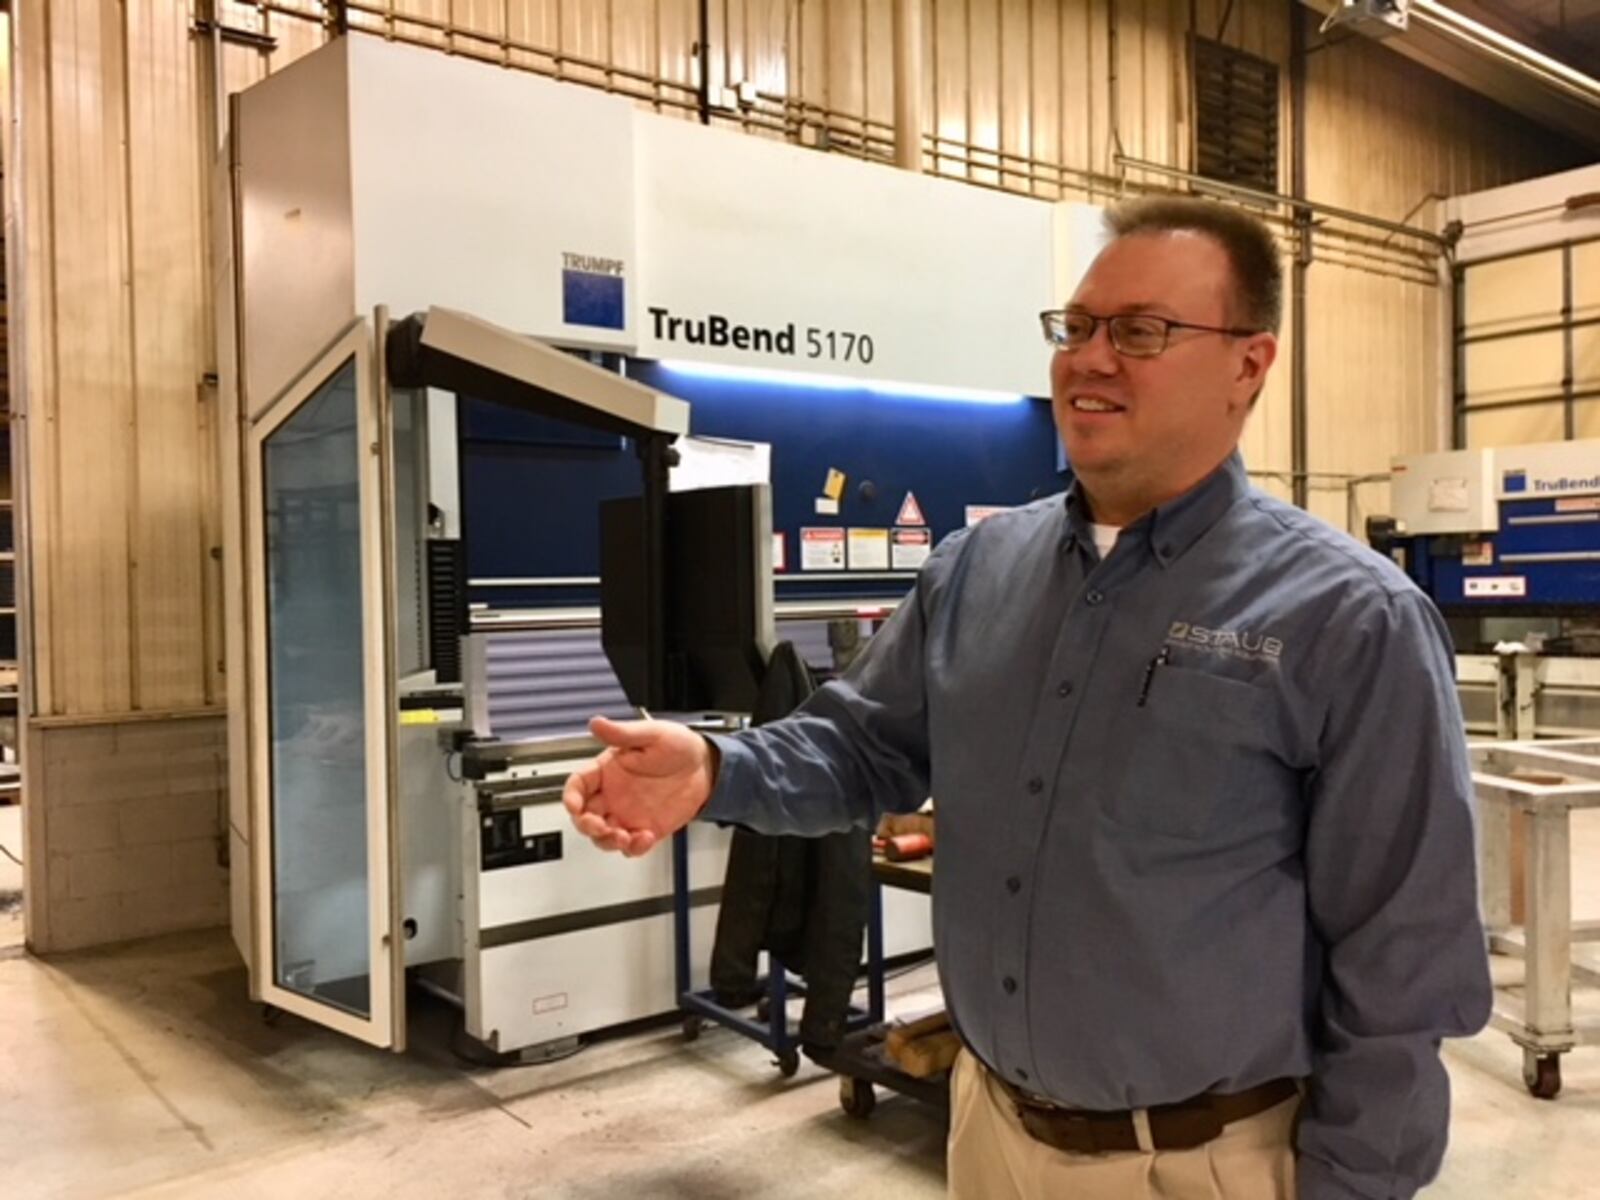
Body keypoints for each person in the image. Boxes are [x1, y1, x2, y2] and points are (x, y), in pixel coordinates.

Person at [563, 196, 1491, 1200]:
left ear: (1248, 365)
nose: (1090, 359)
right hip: (989, 1135)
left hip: (1211, 1161)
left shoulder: (1348, 617)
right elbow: (861, 750)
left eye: (1141, 331)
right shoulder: (976, 568)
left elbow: (1400, 958)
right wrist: (715, 769)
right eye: (1077, 326)